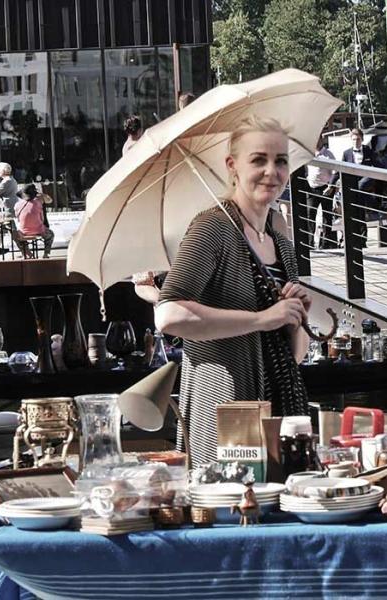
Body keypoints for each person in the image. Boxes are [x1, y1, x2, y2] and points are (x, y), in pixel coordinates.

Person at [155, 115, 311, 465]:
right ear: (233, 166)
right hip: (226, 410)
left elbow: (296, 354)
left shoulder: (280, 243)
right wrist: (261, 318)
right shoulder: (212, 228)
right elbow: (169, 314)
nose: (272, 171)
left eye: (281, 161)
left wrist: (293, 318)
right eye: (258, 160)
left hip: (280, 414)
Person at [305, 138, 338, 249]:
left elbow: (335, 171)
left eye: (317, 139)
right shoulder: (308, 153)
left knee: (327, 216)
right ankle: (309, 242)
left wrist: (331, 186)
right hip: (312, 188)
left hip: (326, 188)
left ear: (321, 140)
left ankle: (326, 242)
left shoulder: (328, 154)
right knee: (310, 215)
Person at [13, 184, 54, 258]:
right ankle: (46, 253)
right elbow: (42, 218)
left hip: (24, 232)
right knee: (51, 234)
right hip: (39, 230)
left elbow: (18, 218)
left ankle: (27, 253)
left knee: (15, 235)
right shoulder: (38, 203)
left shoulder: (17, 205)